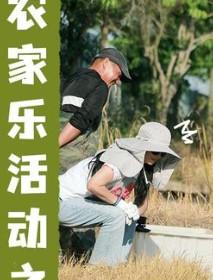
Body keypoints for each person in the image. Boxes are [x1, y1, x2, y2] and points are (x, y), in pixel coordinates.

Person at [58, 121, 180, 266]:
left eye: (163, 154)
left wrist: (134, 212)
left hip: (79, 204)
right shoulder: (120, 160)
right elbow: (93, 185)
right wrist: (121, 204)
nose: (158, 156)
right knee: (116, 214)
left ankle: (117, 264)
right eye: (155, 151)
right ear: (143, 148)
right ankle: (100, 268)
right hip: (60, 201)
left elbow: (142, 205)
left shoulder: (143, 169)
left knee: (129, 217)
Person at [59, 47, 131, 148]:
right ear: (106, 63)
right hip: (74, 155)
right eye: (119, 74)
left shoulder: (69, 79)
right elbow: (81, 120)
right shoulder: (100, 87)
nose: (118, 81)